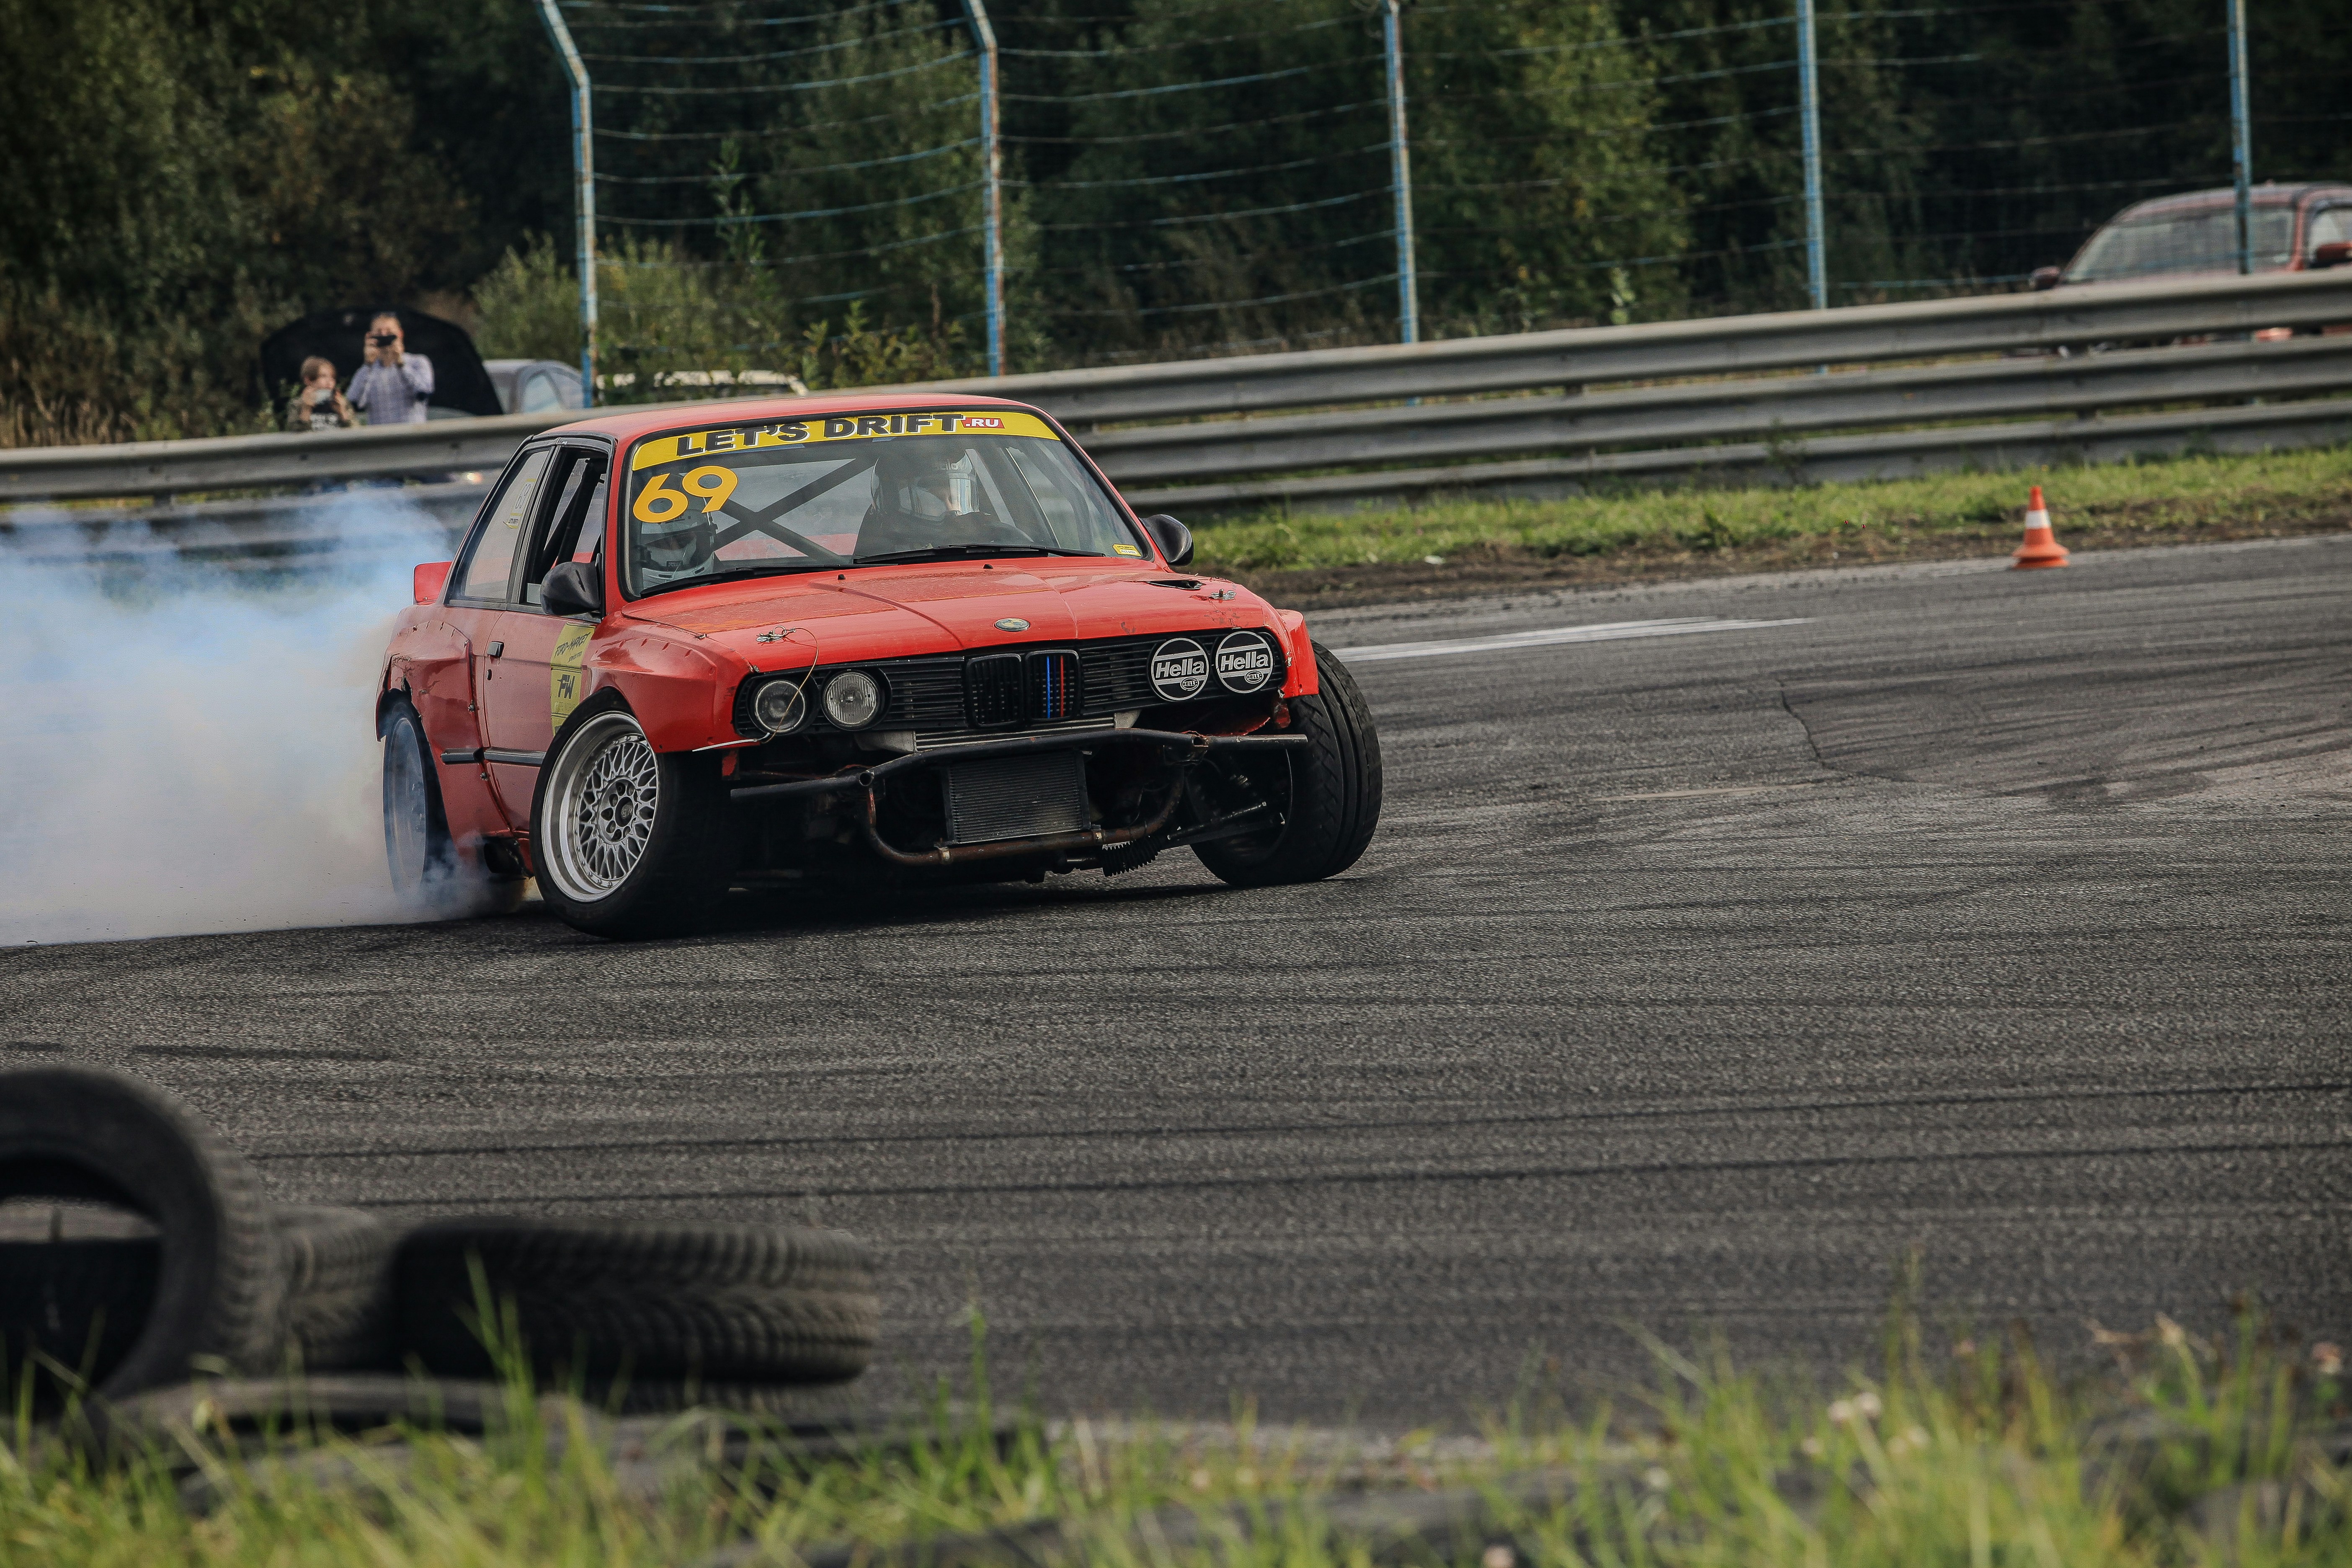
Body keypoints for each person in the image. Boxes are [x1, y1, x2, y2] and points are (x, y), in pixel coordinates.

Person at [345, 312, 434, 426]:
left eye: (389, 333)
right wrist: (368, 365)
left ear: (400, 334)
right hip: (381, 439)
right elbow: (352, 402)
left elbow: (424, 393)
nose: (384, 336)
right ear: (370, 336)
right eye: (379, 333)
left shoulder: (418, 362)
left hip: (412, 436)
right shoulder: (367, 371)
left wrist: (401, 364)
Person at [284, 356, 353, 433]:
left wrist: (342, 413)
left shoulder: (342, 403)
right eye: (324, 376)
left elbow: (356, 434)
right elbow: (296, 436)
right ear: (308, 380)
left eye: (333, 378)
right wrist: (306, 410)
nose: (329, 382)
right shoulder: (297, 405)